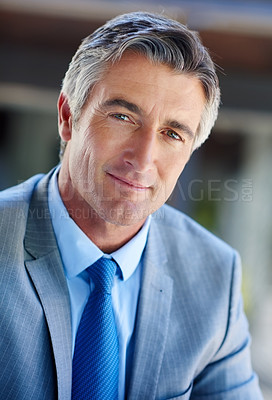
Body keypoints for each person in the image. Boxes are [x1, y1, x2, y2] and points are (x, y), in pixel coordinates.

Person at [0, 11, 263, 400]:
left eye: (172, 134)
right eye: (123, 116)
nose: (142, 160)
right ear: (68, 116)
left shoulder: (214, 277)